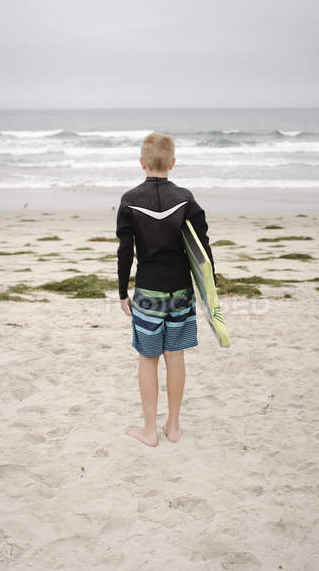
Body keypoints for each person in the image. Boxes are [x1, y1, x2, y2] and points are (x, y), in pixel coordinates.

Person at [116, 132, 216, 447]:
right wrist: (210, 288)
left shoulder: (130, 200)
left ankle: (149, 430)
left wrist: (122, 291)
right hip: (181, 290)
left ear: (142, 163)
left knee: (148, 358)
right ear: (172, 163)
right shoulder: (186, 198)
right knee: (176, 355)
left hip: (148, 291)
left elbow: (125, 251)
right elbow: (202, 247)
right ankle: (173, 426)